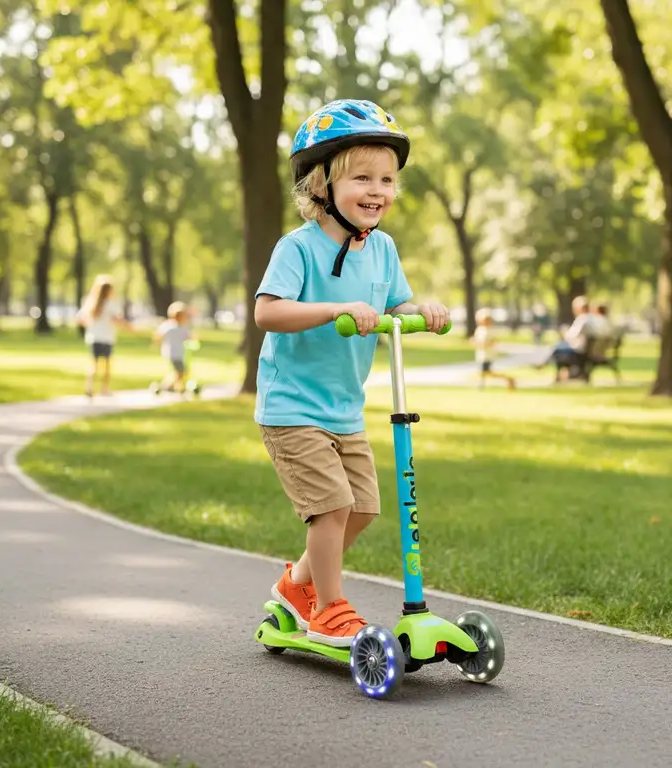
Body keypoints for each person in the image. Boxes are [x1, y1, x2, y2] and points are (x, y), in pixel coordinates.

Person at [254, 99, 450, 648]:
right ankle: (329, 608)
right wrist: (334, 309)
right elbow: (267, 312)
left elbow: (398, 306)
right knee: (332, 507)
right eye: (361, 177)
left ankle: (295, 587)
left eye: (386, 179)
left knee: (363, 509)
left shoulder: (383, 249)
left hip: (343, 409)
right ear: (321, 185)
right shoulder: (298, 249)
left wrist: (422, 312)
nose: (377, 190)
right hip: (291, 407)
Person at [76, 274, 128, 397]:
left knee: (93, 364)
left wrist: (90, 323)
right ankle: (104, 389)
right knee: (107, 365)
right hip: (107, 337)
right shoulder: (111, 304)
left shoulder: (89, 302)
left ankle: (89, 386)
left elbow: (79, 318)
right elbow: (118, 320)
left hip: (93, 337)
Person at [153, 301, 194, 393]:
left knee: (179, 372)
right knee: (182, 372)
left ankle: (172, 386)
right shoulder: (169, 326)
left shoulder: (181, 327)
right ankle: (167, 386)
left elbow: (188, 337)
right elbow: (158, 336)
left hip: (177, 353)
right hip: (173, 353)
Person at [473, 308, 516, 390]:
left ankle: (507, 379)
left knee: (485, 372)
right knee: (484, 372)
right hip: (481, 354)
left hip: (487, 355)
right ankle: (506, 379)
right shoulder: (480, 330)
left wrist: (481, 343)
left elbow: (490, 342)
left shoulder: (489, 331)